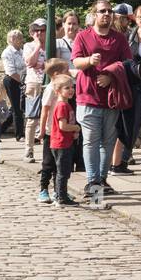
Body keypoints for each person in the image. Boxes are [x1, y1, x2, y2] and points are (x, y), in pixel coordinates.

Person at [71, 0, 133, 198]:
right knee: (90, 141)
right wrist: (89, 60)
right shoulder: (83, 36)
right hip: (87, 98)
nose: (106, 14)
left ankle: (102, 180)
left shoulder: (119, 39)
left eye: (109, 11)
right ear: (94, 14)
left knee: (108, 142)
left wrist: (111, 75)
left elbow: (128, 63)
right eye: (102, 11)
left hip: (111, 99)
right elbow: (76, 61)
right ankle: (93, 183)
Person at [111, 4, 141, 175]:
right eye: (140, 17)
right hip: (135, 85)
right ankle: (123, 159)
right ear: (135, 19)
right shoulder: (130, 36)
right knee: (133, 123)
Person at [36, 58, 72, 203]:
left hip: (60, 132)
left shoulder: (64, 89)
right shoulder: (51, 90)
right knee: (48, 163)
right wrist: (43, 129)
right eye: (66, 70)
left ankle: (59, 191)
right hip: (51, 132)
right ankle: (43, 189)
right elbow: (44, 111)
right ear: (56, 74)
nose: (69, 72)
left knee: (60, 164)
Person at [48, 74, 80, 205]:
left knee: (62, 170)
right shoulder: (62, 106)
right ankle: (61, 197)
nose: (71, 90)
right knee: (63, 171)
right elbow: (63, 126)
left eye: (72, 87)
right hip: (61, 144)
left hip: (64, 142)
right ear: (58, 91)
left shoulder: (67, 105)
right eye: (67, 88)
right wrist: (76, 128)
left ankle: (60, 193)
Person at [22, 19, 47, 162]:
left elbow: (51, 64)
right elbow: (30, 62)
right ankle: (28, 150)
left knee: (48, 119)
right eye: (36, 30)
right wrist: (37, 46)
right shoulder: (28, 45)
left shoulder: (52, 45)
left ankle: (47, 152)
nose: (39, 33)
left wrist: (42, 64)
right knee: (32, 119)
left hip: (49, 83)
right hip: (34, 83)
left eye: (42, 30)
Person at [1, 28, 26, 145]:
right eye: (15, 37)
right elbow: (11, 71)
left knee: (16, 108)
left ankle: (0, 129)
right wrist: (22, 82)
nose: (18, 39)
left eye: (19, 37)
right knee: (17, 108)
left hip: (22, 80)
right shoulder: (7, 52)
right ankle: (19, 135)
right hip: (12, 80)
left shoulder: (22, 51)